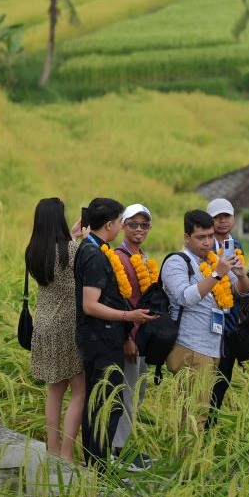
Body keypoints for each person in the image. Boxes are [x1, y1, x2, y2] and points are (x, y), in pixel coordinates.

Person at [74, 198, 156, 468]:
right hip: (101, 340)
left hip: (102, 337)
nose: (123, 227)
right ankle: (99, 464)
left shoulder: (95, 249)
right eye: (123, 221)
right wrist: (128, 317)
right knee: (106, 402)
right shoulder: (95, 255)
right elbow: (89, 305)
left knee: (102, 401)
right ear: (110, 224)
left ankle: (97, 461)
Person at [163, 209, 249, 430]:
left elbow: (243, 292)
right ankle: (187, 453)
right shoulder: (176, 262)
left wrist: (241, 274)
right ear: (187, 237)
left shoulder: (215, 261)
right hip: (190, 346)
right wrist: (216, 275)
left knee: (201, 413)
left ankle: (194, 452)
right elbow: (185, 297)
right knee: (192, 416)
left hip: (212, 347)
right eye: (201, 237)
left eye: (211, 236)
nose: (207, 242)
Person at [25, 198, 86, 460]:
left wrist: (73, 237)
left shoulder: (33, 250)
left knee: (55, 388)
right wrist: (82, 240)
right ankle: (67, 455)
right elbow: (79, 268)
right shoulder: (72, 250)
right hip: (67, 324)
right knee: (80, 390)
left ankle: (52, 449)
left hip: (43, 324)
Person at [112, 203, 155, 458]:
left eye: (144, 225)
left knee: (136, 394)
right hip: (129, 338)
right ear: (123, 226)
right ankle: (116, 450)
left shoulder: (142, 258)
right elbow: (119, 302)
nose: (139, 229)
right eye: (133, 224)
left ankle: (122, 447)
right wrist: (127, 338)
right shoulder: (119, 258)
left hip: (142, 337)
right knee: (126, 395)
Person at [206, 198, 245, 424]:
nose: (222, 221)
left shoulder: (236, 245)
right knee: (206, 379)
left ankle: (211, 425)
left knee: (223, 377)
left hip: (230, 321)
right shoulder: (204, 245)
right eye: (217, 217)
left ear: (233, 218)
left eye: (226, 216)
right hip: (208, 321)